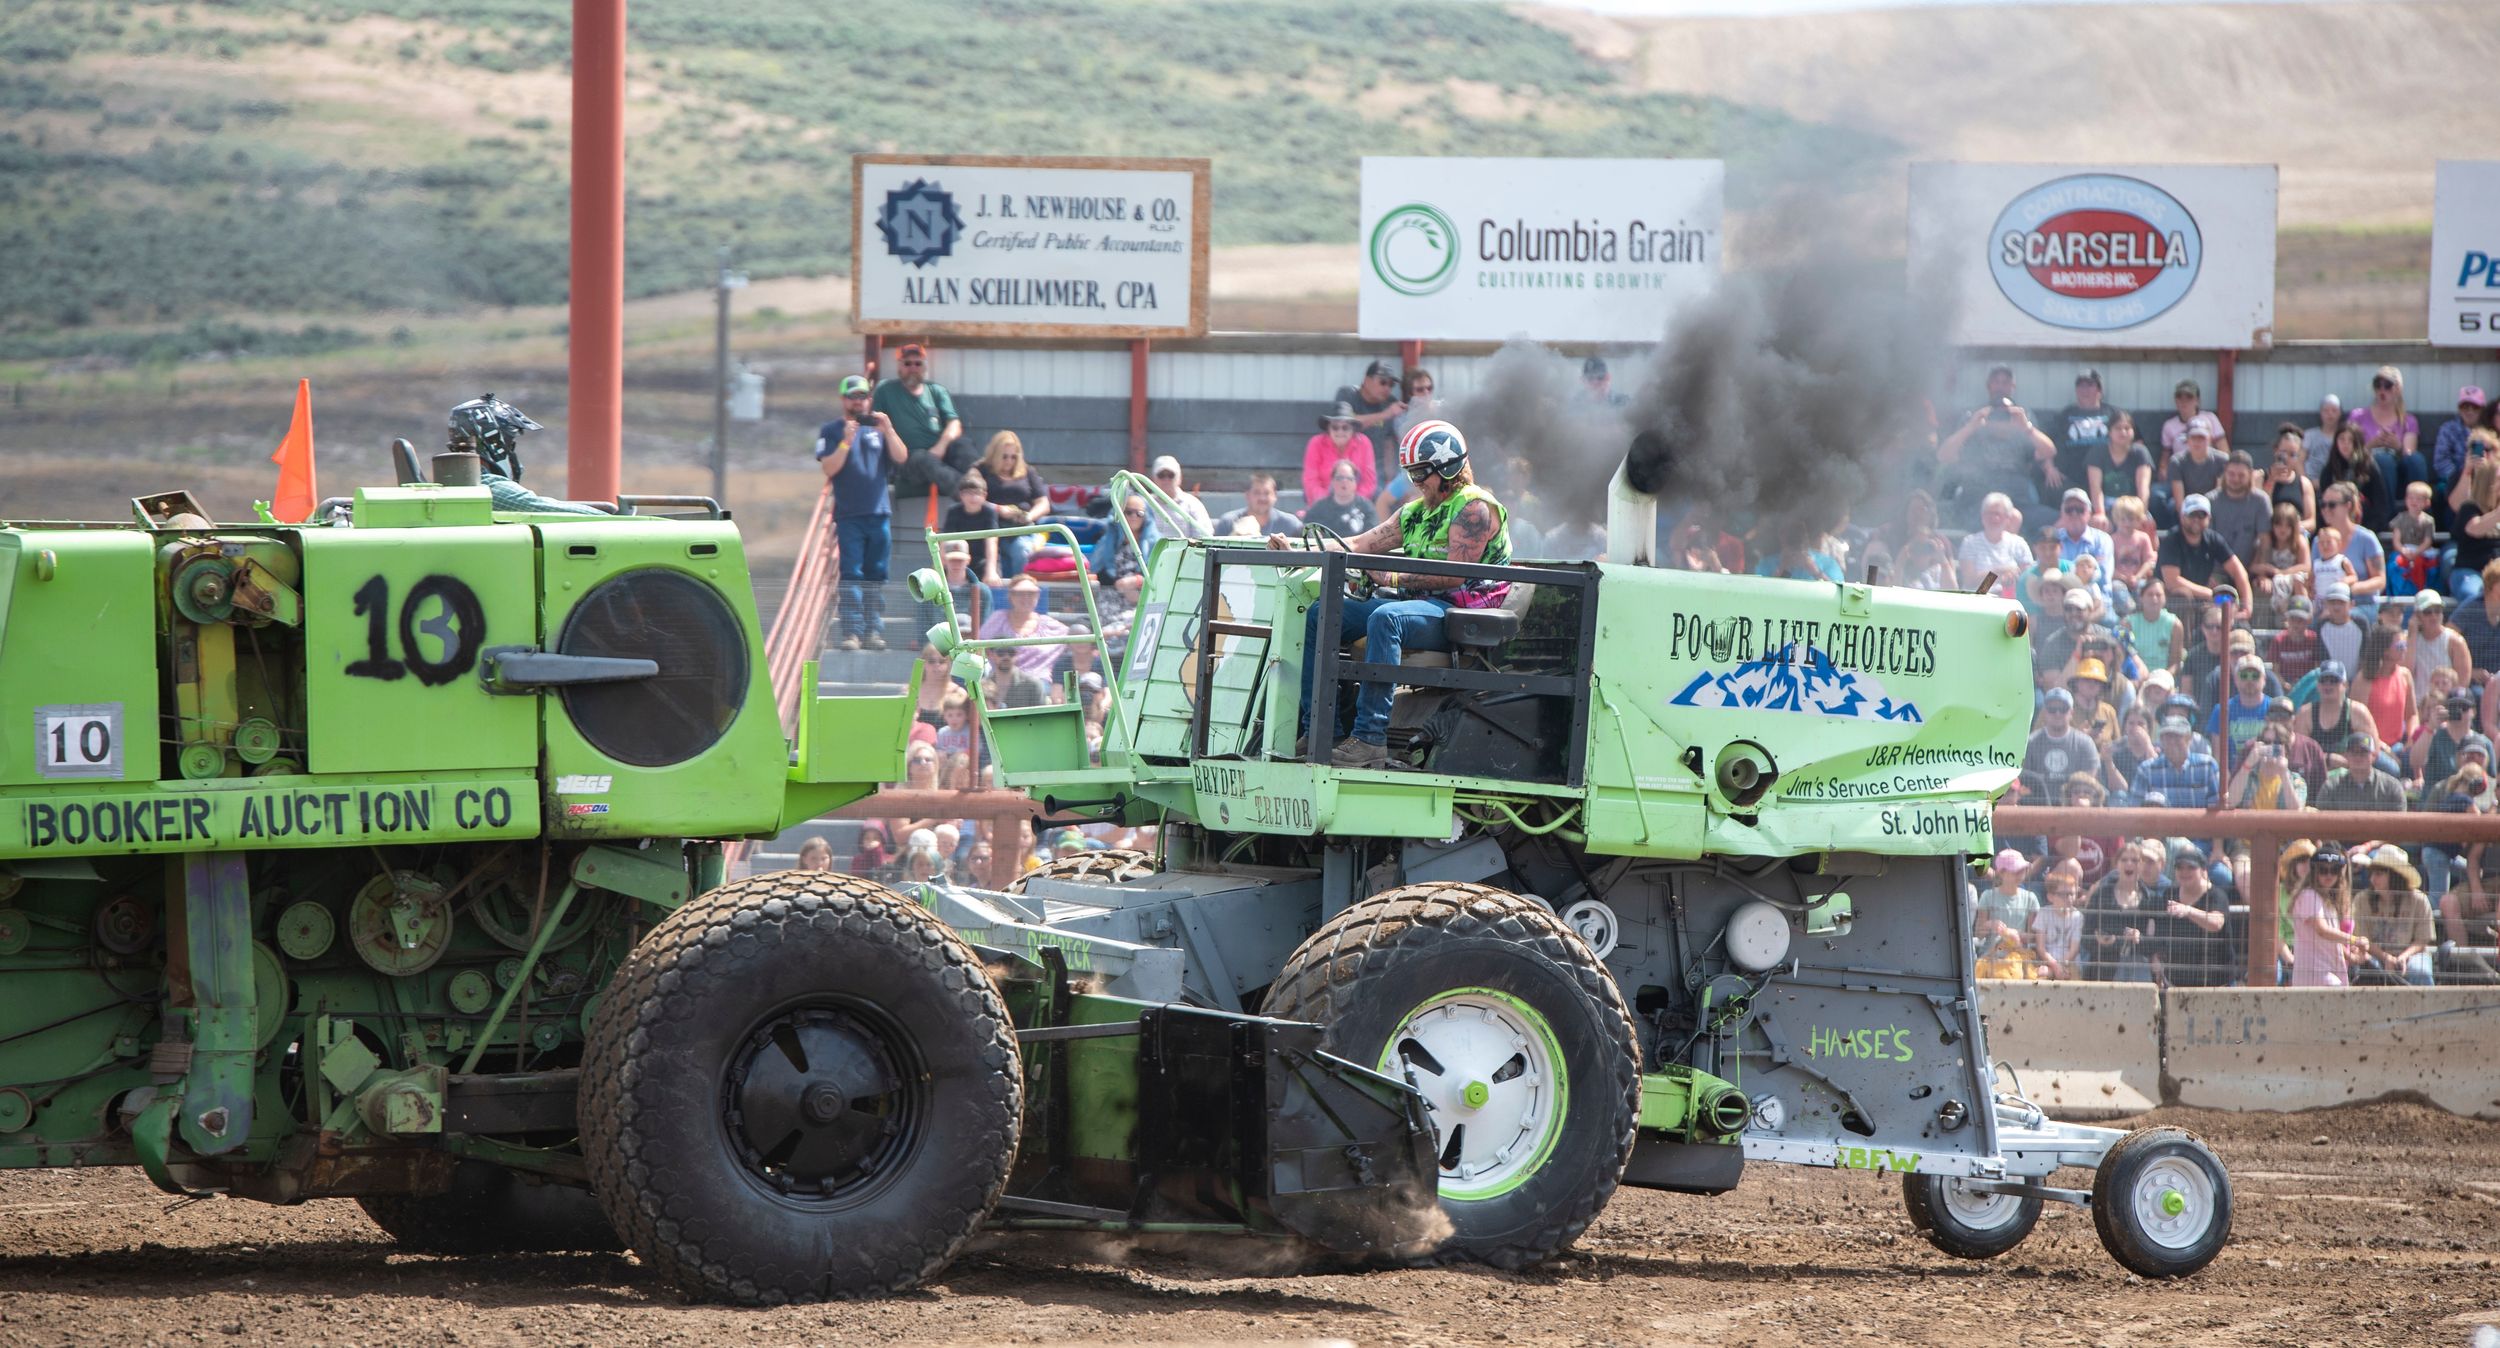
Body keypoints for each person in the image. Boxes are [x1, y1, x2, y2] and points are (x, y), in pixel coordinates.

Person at [1268, 419, 1510, 769]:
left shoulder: (1475, 508)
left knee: (1386, 617)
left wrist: (1391, 576)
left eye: (1421, 473)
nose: (1415, 483)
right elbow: (1355, 543)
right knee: (1322, 614)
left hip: (1460, 612)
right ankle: (1323, 729)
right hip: (1416, 605)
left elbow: (1456, 574)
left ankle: (1370, 738)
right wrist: (1298, 550)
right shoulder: (1413, 513)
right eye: (1410, 474)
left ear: (1448, 467)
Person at [817, 375, 908, 650]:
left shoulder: (878, 430)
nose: (858, 401)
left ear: (869, 399)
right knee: (852, 573)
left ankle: (873, 630)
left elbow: (902, 457)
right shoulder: (831, 430)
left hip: (879, 512)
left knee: (877, 574)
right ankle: (852, 632)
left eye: (862, 396)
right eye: (852, 396)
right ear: (843, 399)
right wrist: (846, 441)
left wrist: (888, 429)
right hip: (849, 515)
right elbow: (829, 468)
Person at [447, 394, 605, 515]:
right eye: (511, 445)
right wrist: (620, 519)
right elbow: (544, 509)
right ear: (494, 443)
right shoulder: (487, 486)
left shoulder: (455, 485)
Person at [1940, 366, 2057, 520]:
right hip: (1978, 490)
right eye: (1996, 382)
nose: (2000, 387)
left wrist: (2026, 428)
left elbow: (2049, 451)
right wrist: (1971, 427)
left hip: (2016, 491)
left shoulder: (2023, 416)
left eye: (2005, 383)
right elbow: (1943, 455)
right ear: (1988, 386)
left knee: (2051, 520)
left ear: (2012, 387)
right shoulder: (1973, 416)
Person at [872, 344, 966, 497]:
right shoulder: (885, 390)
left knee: (964, 446)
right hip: (907, 460)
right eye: (907, 363)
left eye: (918, 363)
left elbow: (954, 424)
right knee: (923, 459)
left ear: (924, 366)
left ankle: (987, 490)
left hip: (939, 454)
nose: (913, 368)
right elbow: (875, 425)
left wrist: (941, 446)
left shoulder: (936, 390)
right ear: (899, 366)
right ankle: (973, 498)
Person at [2157, 494, 2250, 621]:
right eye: (2192, 515)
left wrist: (2247, 607)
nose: (2197, 519)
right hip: (2170, 601)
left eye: (2202, 515)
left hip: (2202, 599)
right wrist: (2212, 595)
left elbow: (2238, 571)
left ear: (2209, 519)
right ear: (2182, 516)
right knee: (2182, 596)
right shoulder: (2171, 540)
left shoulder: (2214, 539)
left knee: (2227, 610)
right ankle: (2185, 641)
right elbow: (2172, 582)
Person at [2353, 847, 2436, 986]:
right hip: (2374, 956)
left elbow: (2422, 940)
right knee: (2368, 970)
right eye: (2371, 874)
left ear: (2395, 875)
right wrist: (2385, 958)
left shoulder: (2419, 900)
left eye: (2378, 874)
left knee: (2420, 972)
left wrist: (2403, 958)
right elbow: (2362, 939)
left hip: (2411, 955)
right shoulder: (2362, 899)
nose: (2372, 879)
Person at [2152, 846, 2232, 987]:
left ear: (2203, 870)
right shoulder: (2169, 894)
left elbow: (2216, 923)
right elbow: (2160, 934)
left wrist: (2188, 911)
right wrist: (2156, 959)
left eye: (2191, 867)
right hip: (2175, 983)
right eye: (2180, 868)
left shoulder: (2217, 895)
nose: (2184, 872)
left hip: (2215, 985)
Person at [975, 432, 1052, 576]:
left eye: (1013, 457)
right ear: (995, 454)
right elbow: (971, 497)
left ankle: (1022, 591)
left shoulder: (1027, 471)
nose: (1009, 461)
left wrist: (1029, 516)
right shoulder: (981, 470)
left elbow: (1043, 503)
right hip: (992, 528)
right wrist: (999, 509)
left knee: (1022, 551)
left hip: (1022, 529)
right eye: (1004, 456)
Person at [2352, 364, 2425, 513]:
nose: (2382, 390)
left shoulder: (2408, 420)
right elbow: (2350, 451)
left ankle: (2422, 512)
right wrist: (2371, 445)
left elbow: (2409, 453)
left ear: (2398, 389)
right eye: (2377, 385)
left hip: (2399, 476)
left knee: (2416, 459)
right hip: (2369, 474)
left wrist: (2397, 446)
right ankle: (2386, 516)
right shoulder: (2358, 416)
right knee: (2383, 460)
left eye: (2387, 385)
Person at [2085, 840, 2162, 982]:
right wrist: (2105, 943)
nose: (2129, 864)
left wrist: (2140, 938)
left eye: (2135, 860)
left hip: (2139, 971)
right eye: (2124, 859)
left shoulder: (2152, 900)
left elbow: (2158, 943)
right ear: (2116, 864)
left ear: (2141, 865)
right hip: (2102, 971)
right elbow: (2086, 936)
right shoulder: (2101, 894)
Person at [2288, 846, 2365, 987]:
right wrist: (2354, 940)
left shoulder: (2326, 899)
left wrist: (2351, 953)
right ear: (2314, 872)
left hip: (2326, 972)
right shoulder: (2309, 895)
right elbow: (2322, 930)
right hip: (2315, 975)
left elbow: (2329, 940)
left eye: (2334, 870)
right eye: (2323, 870)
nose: (2329, 875)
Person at [977, 574, 1072, 683]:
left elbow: (1073, 639)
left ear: (1038, 596)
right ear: (1011, 596)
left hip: (1039, 683)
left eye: (1031, 594)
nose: (1026, 598)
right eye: (1020, 594)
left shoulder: (1050, 625)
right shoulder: (998, 618)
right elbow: (981, 646)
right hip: (1001, 680)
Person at [2023, 688, 2100, 800]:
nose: (2057, 713)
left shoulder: (2085, 743)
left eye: (2063, 709)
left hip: (2074, 808)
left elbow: (2089, 782)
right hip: (2038, 806)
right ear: (2044, 712)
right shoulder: (2030, 743)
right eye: (2052, 709)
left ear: (2071, 713)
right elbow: (2024, 781)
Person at [1334, 360, 1408, 472]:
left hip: (1375, 471)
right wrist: (1385, 414)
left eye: (1391, 384)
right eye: (1383, 382)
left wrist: (1389, 478)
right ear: (1367, 380)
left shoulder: (1390, 403)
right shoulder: (1347, 394)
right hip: (1345, 468)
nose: (1387, 388)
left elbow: (1389, 444)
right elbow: (1345, 424)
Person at [2132, 715, 2221, 808]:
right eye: (2168, 737)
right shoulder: (2147, 770)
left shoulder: (2207, 767)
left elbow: (2217, 809)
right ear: (2161, 739)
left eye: (2177, 736)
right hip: (2160, 823)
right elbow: (2135, 810)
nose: (2172, 741)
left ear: (2189, 738)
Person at [1955, 492, 2032, 599]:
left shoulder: (2019, 544)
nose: (1994, 518)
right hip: (1979, 600)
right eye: (1989, 514)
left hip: (2012, 601)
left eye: (1998, 514)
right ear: (1982, 516)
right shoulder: (1970, 543)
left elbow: (2028, 580)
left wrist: (2008, 584)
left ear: (2007, 518)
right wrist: (1999, 571)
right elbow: (1970, 582)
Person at [2447, 449, 2500, 603]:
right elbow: (2473, 528)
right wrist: (2497, 514)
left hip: (2497, 573)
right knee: (2473, 595)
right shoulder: (2469, 508)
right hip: (2470, 572)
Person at [2353, 625, 2416, 751]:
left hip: (2398, 744)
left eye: (2405, 644)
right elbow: (2357, 722)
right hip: (2370, 745)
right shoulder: (2364, 679)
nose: (2404, 649)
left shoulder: (2405, 675)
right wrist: (2381, 746)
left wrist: (2412, 738)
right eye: (2399, 646)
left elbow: (2412, 715)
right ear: (2384, 650)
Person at [1303, 402, 1378, 507]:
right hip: (1322, 503)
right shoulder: (1315, 443)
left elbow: (1369, 481)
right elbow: (1310, 480)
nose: (1340, 431)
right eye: (1335, 427)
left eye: (1345, 427)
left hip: (1356, 504)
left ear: (1353, 429)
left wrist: (1352, 502)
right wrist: (1329, 503)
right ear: (1328, 429)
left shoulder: (1364, 443)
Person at [2086, 411, 2153, 526]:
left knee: (2148, 525)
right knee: (2099, 523)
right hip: (2105, 505)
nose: (2123, 432)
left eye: (2127, 428)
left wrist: (2140, 513)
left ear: (2133, 432)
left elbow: (2143, 488)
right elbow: (2095, 488)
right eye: (2118, 428)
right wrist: (2100, 513)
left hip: (2131, 506)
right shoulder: (2097, 452)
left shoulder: (2141, 452)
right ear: (2110, 431)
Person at [940, 471, 1006, 585]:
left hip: (982, 558)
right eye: (968, 493)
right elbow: (945, 541)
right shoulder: (953, 511)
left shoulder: (989, 512)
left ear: (984, 495)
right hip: (958, 556)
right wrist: (939, 568)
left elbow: (991, 541)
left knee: (992, 577)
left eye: (977, 493)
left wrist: (991, 571)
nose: (973, 497)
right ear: (961, 495)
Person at [2318, 730, 2406, 812]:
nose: (2358, 757)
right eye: (2354, 752)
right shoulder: (2331, 788)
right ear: (2346, 756)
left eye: (2363, 752)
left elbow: (2400, 824)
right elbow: (2321, 822)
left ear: (2374, 756)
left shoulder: (2391, 788)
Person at [2206, 451, 2269, 564]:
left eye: (2241, 475)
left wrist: (2261, 571)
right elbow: (2205, 540)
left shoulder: (2260, 501)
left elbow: (2265, 540)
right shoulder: (2211, 500)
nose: (2235, 479)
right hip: (2217, 570)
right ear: (2225, 472)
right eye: (2231, 474)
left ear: (2250, 474)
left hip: (2250, 569)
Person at [2433, 385, 2491, 504]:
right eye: (2465, 406)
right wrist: (2460, 476)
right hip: (2454, 477)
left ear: (2482, 409)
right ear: (2459, 408)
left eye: (2475, 407)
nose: (2470, 411)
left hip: (2486, 478)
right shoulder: (2448, 429)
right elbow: (2440, 461)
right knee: (2442, 490)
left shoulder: (2490, 431)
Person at [2165, 416, 2228, 521]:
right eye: (2193, 437)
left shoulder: (2222, 460)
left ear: (2209, 439)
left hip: (2211, 506)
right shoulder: (2177, 462)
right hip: (2188, 505)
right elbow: (2179, 502)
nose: (2197, 442)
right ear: (2187, 439)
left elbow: (2219, 496)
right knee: (2171, 505)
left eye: (2201, 438)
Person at [2408, 592, 2473, 692]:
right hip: (2418, 704)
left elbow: (2463, 682)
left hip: (2446, 704)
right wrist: (2412, 633)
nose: (2434, 616)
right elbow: (2406, 671)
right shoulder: (2408, 640)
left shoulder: (2455, 641)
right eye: (2427, 612)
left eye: (2437, 611)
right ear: (2417, 615)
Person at [2031, 870, 2087, 981]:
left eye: (2072, 894)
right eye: (2063, 894)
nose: (2069, 898)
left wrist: (2062, 966)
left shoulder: (2078, 916)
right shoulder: (2043, 913)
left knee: (2071, 977)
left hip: (2070, 962)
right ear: (2050, 897)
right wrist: (2056, 966)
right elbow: (2041, 948)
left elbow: (2074, 949)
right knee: (2042, 974)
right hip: (2048, 961)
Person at [1216, 472, 1303, 538]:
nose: (1262, 498)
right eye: (1257, 493)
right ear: (1247, 495)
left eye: (1267, 493)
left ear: (1275, 496)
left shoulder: (1291, 525)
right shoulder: (1227, 523)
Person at [1306, 459, 1378, 538]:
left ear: (1355, 482)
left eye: (1349, 478)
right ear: (1332, 481)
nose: (1344, 482)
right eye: (1339, 478)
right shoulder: (1318, 509)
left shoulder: (1366, 508)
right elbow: (1306, 531)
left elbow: (1372, 537)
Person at [1146, 454, 1214, 537]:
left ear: (1179, 478)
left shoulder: (1193, 504)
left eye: (1171, 475)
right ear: (1153, 479)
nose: (1166, 479)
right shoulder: (1145, 504)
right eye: (1161, 475)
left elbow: (1203, 536)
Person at [2389, 481, 2438, 595]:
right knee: (2396, 564)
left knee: (2429, 565)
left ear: (2427, 502)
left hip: (2421, 551)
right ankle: (2399, 592)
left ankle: (2423, 590)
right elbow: (2396, 540)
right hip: (2404, 550)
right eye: (2411, 498)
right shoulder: (2400, 518)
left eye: (2419, 499)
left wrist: (2417, 552)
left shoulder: (2428, 521)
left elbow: (2427, 541)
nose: (2414, 501)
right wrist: (2403, 551)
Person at [2265, 426, 2317, 524]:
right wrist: (2272, 480)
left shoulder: (2304, 483)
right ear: (2275, 451)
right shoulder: (2261, 477)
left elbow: (2311, 521)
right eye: (2283, 452)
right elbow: (2262, 511)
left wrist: (2292, 528)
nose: (2287, 458)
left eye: (2292, 455)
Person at [2268, 597, 2325, 685]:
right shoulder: (2278, 640)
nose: (2296, 624)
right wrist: (2285, 685)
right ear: (2287, 619)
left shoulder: (2314, 639)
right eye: (2292, 618)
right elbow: (2275, 671)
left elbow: (2317, 669)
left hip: (2308, 685)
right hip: (2285, 687)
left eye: (2300, 620)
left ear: (2309, 620)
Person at [2314, 584, 2365, 674]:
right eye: (2332, 602)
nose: (2336, 607)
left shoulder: (2361, 624)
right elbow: (2319, 659)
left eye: (2341, 602)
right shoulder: (2320, 626)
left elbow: (2366, 655)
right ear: (2326, 604)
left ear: (2351, 604)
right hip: (2330, 682)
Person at [2160, 378, 2209, 465]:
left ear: (2197, 401)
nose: (2184, 401)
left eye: (2189, 397)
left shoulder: (2209, 419)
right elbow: (2165, 457)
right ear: (2175, 400)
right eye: (2180, 397)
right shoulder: (2169, 425)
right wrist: (2163, 470)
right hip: (2181, 470)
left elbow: (2224, 450)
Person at [2303, 393, 2344, 480]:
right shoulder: (2309, 435)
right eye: (2326, 410)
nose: (2330, 414)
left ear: (2340, 413)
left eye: (2334, 410)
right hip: (2311, 482)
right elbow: (2299, 461)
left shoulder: (2344, 437)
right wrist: (2306, 482)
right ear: (2321, 413)